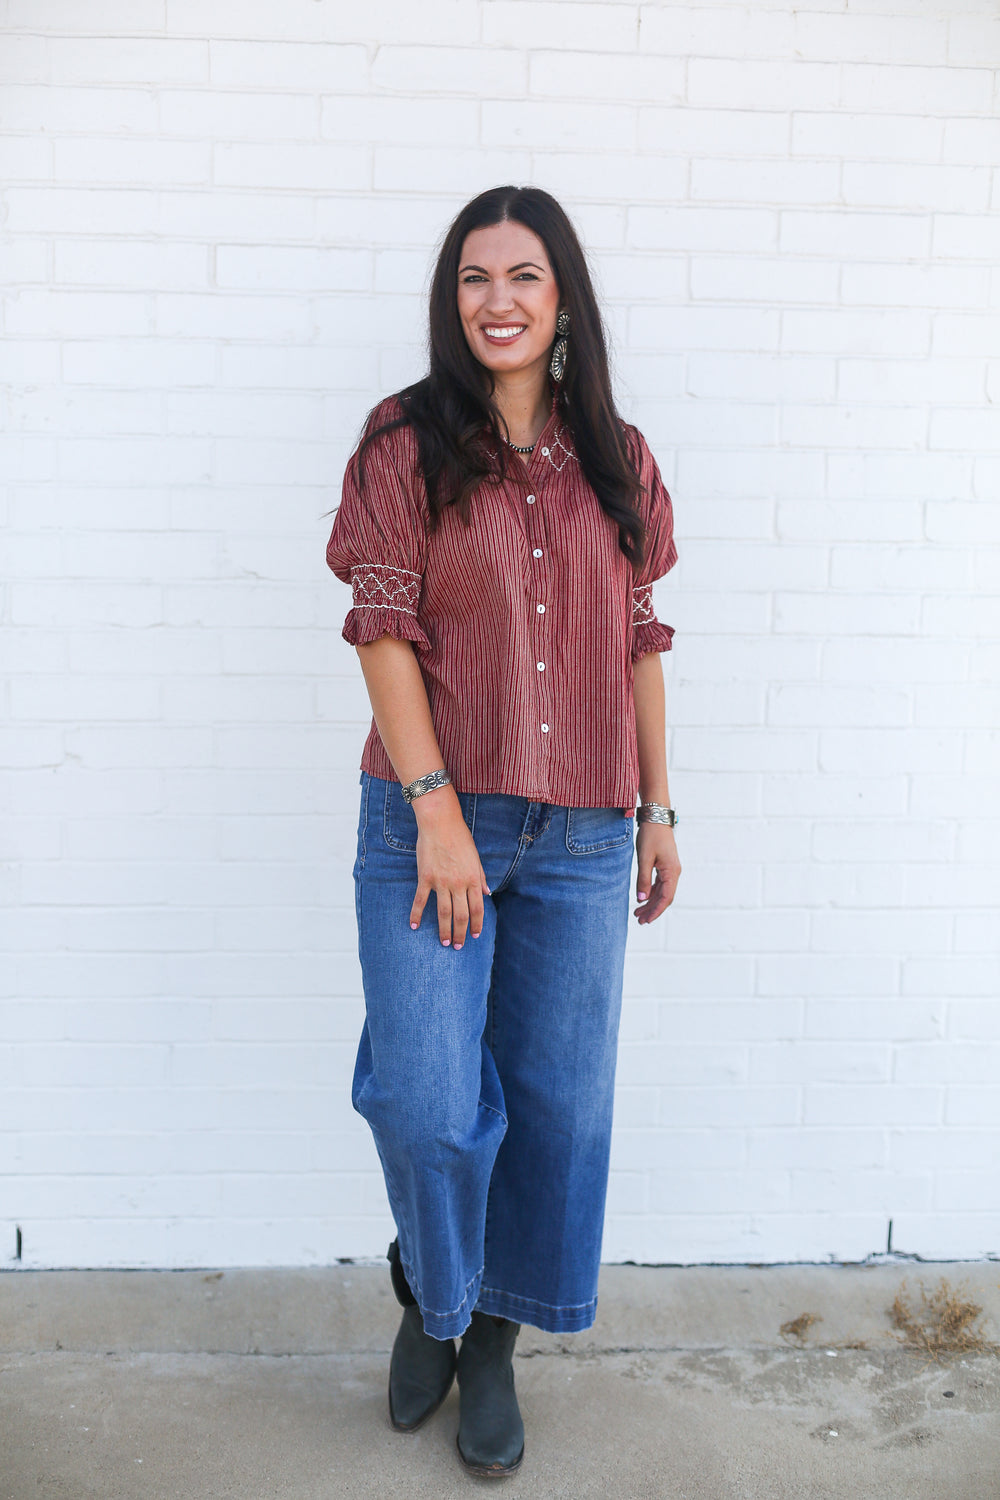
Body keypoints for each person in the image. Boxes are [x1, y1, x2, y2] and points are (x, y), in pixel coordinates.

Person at [326, 185, 681, 1479]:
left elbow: (640, 644)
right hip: (436, 819)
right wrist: (435, 815)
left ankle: (486, 1341)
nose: (498, 300)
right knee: (427, 1103)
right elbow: (383, 631)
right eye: (474, 278)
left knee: (557, 1111)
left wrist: (657, 809)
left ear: (564, 295)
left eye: (524, 275)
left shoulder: (620, 459)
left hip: (586, 835)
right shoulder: (404, 446)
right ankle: (432, 1283)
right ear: (452, 299)